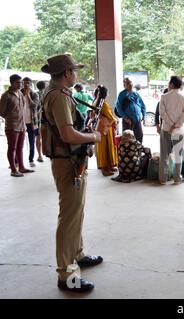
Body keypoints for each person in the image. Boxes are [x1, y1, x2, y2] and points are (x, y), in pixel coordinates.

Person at [41, 54, 103, 293]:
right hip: (67, 162)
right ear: (67, 73)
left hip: (71, 160)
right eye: (74, 70)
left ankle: (77, 254)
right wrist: (93, 136)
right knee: (69, 217)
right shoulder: (57, 96)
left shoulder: (60, 93)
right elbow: (67, 135)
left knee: (76, 212)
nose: (76, 74)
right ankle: (67, 274)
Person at [0, 74, 35, 177]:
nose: (21, 84)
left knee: (20, 147)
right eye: (18, 82)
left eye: (21, 82)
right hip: (12, 126)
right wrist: (11, 117)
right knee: (12, 148)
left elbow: (23, 107)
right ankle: (13, 169)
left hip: (22, 125)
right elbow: (1, 112)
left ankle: (22, 167)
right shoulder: (6, 95)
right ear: (12, 83)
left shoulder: (20, 93)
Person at [159, 76, 184, 185]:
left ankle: (163, 179)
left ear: (171, 84)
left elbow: (162, 113)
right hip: (179, 130)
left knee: (164, 155)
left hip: (166, 129)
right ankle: (177, 178)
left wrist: (170, 125)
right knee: (178, 155)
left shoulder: (164, 97)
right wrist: (176, 125)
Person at [94, 86, 119, 176]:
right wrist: (116, 120)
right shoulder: (103, 103)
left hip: (102, 128)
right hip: (105, 129)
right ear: (105, 94)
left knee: (106, 147)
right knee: (105, 148)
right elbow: (110, 116)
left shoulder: (96, 102)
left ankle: (109, 166)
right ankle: (105, 168)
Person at [116, 78, 146, 143]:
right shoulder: (122, 94)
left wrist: (144, 115)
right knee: (127, 139)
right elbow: (118, 108)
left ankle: (138, 152)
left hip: (137, 120)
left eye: (131, 82)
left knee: (139, 136)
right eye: (128, 83)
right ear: (124, 85)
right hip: (128, 121)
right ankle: (127, 152)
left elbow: (143, 105)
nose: (130, 84)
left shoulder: (136, 94)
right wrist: (125, 117)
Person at [21, 77, 40, 168]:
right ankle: (17, 161)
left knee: (31, 140)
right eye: (24, 83)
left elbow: (34, 105)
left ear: (30, 83)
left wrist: (28, 96)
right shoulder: (19, 93)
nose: (26, 85)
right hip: (20, 121)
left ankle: (31, 159)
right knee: (18, 142)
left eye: (28, 83)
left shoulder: (34, 94)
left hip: (31, 121)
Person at [36, 81, 47, 162]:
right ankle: (47, 152)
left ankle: (40, 155)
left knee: (38, 137)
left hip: (37, 119)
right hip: (47, 119)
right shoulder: (47, 94)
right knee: (47, 136)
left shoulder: (35, 94)